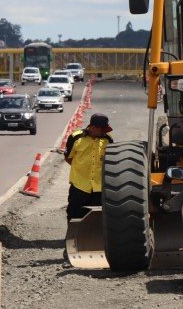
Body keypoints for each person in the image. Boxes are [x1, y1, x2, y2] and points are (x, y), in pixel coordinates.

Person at [62, 113, 113, 265]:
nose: (105, 132)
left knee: (97, 218)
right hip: (79, 185)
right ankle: (71, 250)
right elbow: (68, 157)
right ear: (94, 127)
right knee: (74, 216)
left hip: (98, 187)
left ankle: (96, 248)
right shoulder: (76, 137)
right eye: (102, 129)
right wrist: (80, 171)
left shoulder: (107, 140)